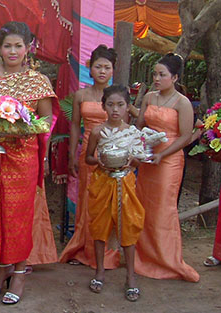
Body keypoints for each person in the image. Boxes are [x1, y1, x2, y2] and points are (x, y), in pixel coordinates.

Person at [0, 21, 56, 305]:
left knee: (17, 218)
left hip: (22, 159)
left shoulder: (38, 80)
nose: (12, 51)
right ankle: (3, 269)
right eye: (7, 46)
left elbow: (46, 120)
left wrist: (22, 128)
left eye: (18, 46)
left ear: (28, 48)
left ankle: (19, 272)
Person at [135, 53, 199, 282]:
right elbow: (140, 125)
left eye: (162, 75)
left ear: (174, 77)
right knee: (144, 206)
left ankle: (166, 259)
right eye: (155, 74)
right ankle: (144, 256)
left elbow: (185, 136)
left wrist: (163, 154)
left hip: (169, 160)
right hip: (149, 157)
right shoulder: (149, 98)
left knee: (163, 208)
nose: (156, 78)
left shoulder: (182, 102)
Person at [59, 45, 121, 269]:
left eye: (107, 67)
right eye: (98, 67)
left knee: (107, 201)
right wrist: (72, 154)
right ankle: (85, 248)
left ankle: (106, 251)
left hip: (112, 152)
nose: (102, 71)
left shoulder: (117, 95)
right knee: (87, 199)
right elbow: (75, 125)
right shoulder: (81, 95)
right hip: (87, 151)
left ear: (113, 70)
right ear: (90, 68)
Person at [85, 85, 145, 302]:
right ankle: (99, 271)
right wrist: (100, 161)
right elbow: (88, 158)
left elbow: (139, 159)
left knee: (128, 227)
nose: (115, 110)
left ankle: (130, 277)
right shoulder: (97, 131)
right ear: (103, 107)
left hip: (125, 183)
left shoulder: (133, 132)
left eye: (120, 105)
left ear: (128, 107)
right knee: (100, 227)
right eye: (110, 105)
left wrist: (131, 160)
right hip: (102, 181)